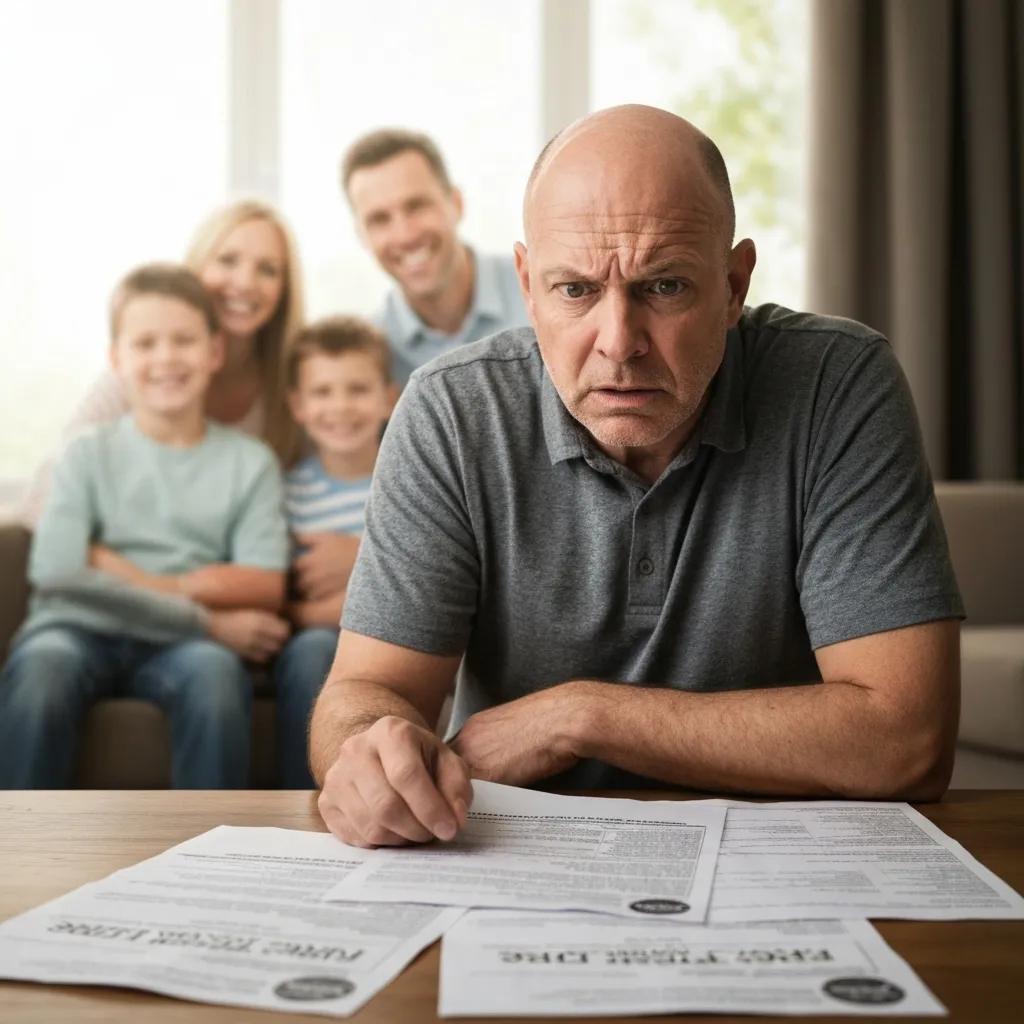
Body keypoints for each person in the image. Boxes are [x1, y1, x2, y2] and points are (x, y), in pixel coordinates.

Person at [311, 104, 963, 849]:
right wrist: (365, 755)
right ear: (527, 285)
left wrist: (580, 717)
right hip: (508, 853)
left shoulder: (837, 385)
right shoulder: (452, 411)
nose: (619, 345)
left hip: (781, 855)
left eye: (664, 288)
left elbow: (906, 740)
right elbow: (368, 691)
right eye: (575, 291)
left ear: (734, 285)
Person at [0, 264, 290, 789]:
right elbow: (58, 573)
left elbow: (263, 579)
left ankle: (212, 864)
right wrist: (205, 621)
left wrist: (194, 630)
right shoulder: (85, 453)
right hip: (74, 629)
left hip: (184, 651)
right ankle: (14, 858)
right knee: (43, 669)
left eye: (183, 340)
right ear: (117, 360)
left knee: (216, 678)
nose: (166, 359)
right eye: (146, 343)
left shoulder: (251, 463)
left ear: (214, 352)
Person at [273, 317, 395, 788]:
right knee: (309, 653)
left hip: (405, 640)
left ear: (388, 397)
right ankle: (301, 796)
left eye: (357, 390)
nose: (340, 407)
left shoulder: (411, 479)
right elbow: (283, 599)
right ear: (298, 406)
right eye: (323, 392)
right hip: (317, 641)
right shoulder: (289, 492)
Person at [341, 128, 529, 385]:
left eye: (416, 206)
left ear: (456, 203)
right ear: (361, 235)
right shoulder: (373, 357)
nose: (405, 235)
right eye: (379, 219)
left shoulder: (541, 291)